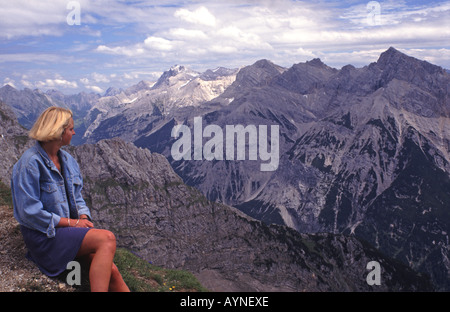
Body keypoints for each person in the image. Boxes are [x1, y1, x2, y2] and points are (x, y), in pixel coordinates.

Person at [11, 106, 129, 292]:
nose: (74, 132)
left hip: (65, 233)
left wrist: (83, 217)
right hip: (45, 236)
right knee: (107, 238)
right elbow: (28, 212)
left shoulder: (67, 160)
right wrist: (72, 223)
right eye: (70, 129)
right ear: (57, 132)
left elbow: (78, 197)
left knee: (112, 270)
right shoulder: (29, 164)